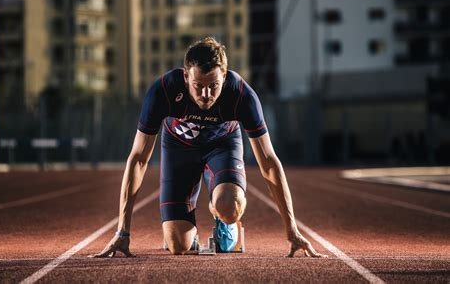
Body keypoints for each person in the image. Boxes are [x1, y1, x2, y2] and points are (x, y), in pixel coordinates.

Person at [89, 37, 326, 258]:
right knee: (177, 246)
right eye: (197, 85)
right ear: (185, 77)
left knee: (229, 207)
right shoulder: (162, 92)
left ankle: (223, 218)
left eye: (213, 85)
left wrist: (292, 229)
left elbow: (269, 162)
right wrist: (123, 231)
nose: (205, 95)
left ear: (224, 75)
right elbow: (138, 159)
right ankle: (186, 234)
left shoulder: (241, 95)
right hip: (178, 148)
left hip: (222, 145)